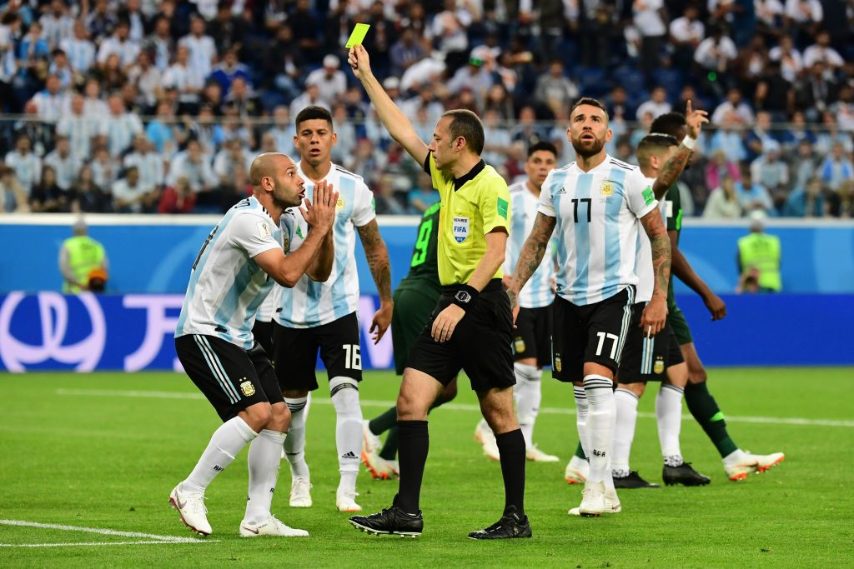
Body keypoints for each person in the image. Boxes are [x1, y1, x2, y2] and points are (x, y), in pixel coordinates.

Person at [347, 44, 530, 540]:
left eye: (438, 138)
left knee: (498, 411)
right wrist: (367, 76)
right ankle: (406, 512)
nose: (430, 144)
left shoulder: (491, 185)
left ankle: (516, 517)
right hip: (450, 301)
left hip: (481, 304)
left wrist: (463, 302)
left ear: (460, 143)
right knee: (412, 398)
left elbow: (496, 251)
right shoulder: (447, 178)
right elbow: (401, 131)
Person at [507, 97, 679, 517]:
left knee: (599, 380)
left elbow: (658, 236)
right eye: (580, 119)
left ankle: (596, 485)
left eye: (596, 119)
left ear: (608, 132)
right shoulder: (557, 181)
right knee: (581, 394)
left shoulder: (628, 177)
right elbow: (537, 240)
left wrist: (658, 296)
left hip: (613, 294)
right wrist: (514, 289)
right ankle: (606, 488)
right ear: (569, 132)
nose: (588, 125)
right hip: (567, 297)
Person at [169, 152, 337, 538]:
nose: (301, 180)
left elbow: (319, 271)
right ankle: (190, 490)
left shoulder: (286, 221)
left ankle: (258, 519)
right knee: (257, 412)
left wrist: (323, 230)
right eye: (291, 173)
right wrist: (317, 231)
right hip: (206, 332)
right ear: (267, 184)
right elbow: (287, 274)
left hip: (240, 336)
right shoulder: (248, 220)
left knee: (278, 415)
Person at [639, 112, 783, 480]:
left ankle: (724, 455)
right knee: (632, 380)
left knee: (684, 374)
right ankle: (592, 461)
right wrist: (706, 293)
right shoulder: (662, 189)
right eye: (685, 142)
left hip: (657, 296)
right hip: (655, 297)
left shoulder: (655, 186)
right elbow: (668, 251)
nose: (692, 151)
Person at [271, 105, 394, 514]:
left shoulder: (353, 188)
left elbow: (375, 248)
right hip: (289, 311)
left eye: (321, 132)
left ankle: (348, 487)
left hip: (339, 309)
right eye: (306, 133)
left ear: (333, 138)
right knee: (292, 405)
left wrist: (386, 300)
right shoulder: (283, 186)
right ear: (296, 140)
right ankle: (299, 474)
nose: (314, 140)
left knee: (347, 394)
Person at [609, 134, 711, 489]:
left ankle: (673, 461)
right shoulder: (643, 187)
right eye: (674, 155)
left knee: (677, 372)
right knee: (632, 382)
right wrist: (691, 137)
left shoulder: (643, 190)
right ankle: (617, 470)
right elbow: (667, 179)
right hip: (642, 299)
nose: (682, 160)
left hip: (653, 299)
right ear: (656, 162)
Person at [474, 141, 561, 463]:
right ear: (527, 166)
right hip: (515, 295)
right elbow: (490, 236)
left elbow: (555, 244)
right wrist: (501, 275)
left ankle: (524, 439)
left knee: (535, 369)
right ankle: (489, 426)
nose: (543, 167)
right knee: (525, 365)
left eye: (549, 161)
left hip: (547, 297)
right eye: (537, 161)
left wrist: (557, 272)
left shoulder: (560, 198)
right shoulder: (511, 196)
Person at [360, 201, 459, 480]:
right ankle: (371, 428)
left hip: (411, 294)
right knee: (442, 388)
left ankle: (388, 454)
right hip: (426, 299)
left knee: (424, 390)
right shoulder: (458, 205)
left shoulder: (433, 209)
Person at [58, 218, 109, 294]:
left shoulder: (68, 245)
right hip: (93, 290)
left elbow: (64, 268)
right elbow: (104, 269)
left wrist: (79, 284)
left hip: (73, 290)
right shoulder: (97, 245)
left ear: (73, 230)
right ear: (86, 230)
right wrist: (93, 285)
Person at [737, 211, 782, 293]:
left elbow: (740, 267)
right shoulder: (773, 241)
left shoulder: (744, 242)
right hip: (771, 284)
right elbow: (778, 263)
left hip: (751, 285)